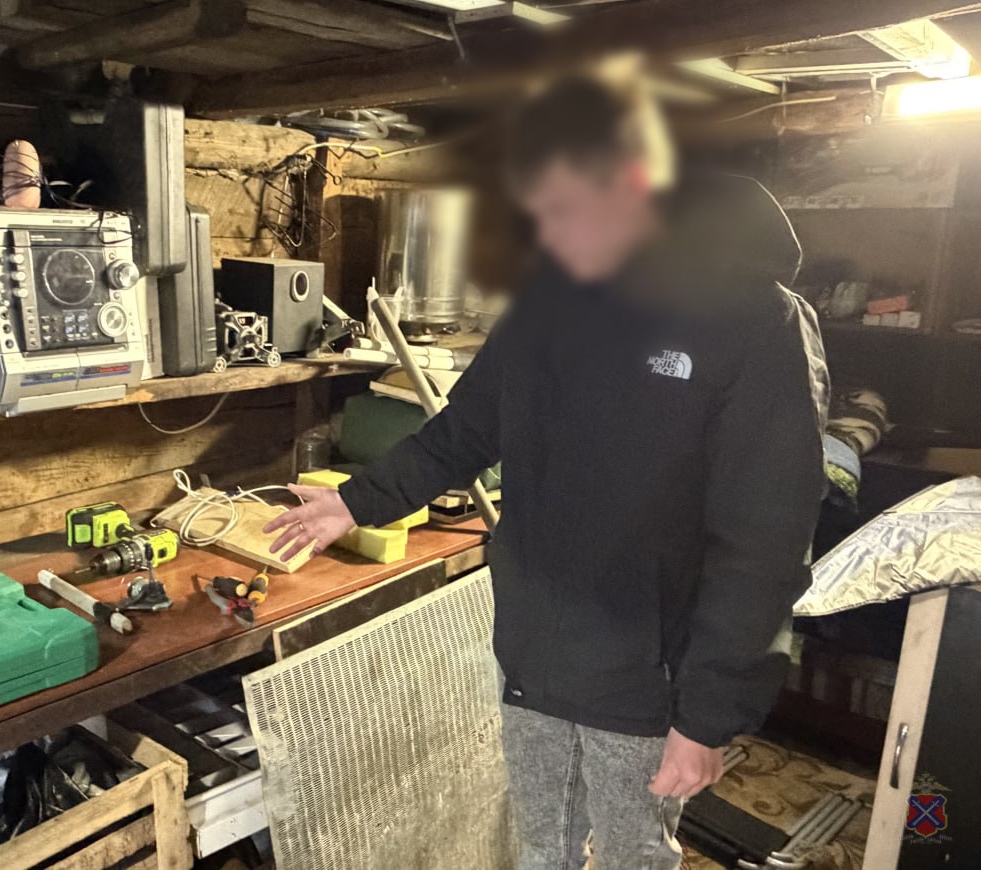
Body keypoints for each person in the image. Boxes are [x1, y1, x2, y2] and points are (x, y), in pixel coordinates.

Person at [264, 74, 829, 870]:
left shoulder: (754, 321)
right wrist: (356, 503)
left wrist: (708, 716)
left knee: (634, 856)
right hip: (534, 649)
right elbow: (464, 430)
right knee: (542, 849)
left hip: (649, 673)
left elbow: (764, 542)